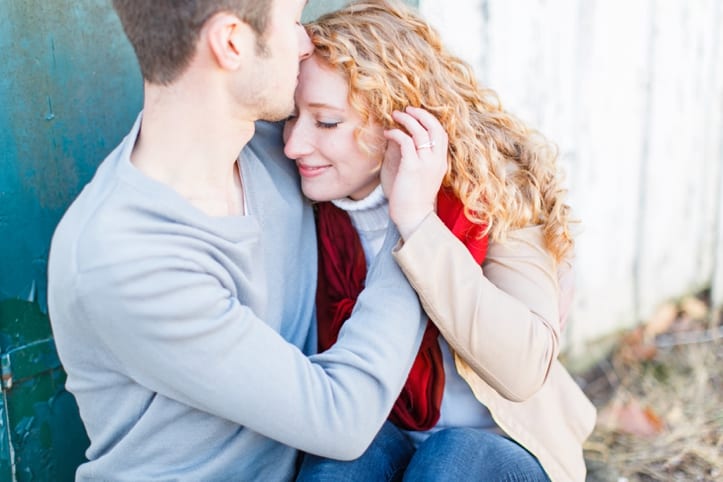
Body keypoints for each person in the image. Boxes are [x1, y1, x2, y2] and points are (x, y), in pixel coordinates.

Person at [46, 1, 430, 480]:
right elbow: (341, 418)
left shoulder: (283, 148)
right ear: (232, 43)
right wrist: (412, 223)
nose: (306, 41)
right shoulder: (123, 257)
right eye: (292, 22)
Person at [282, 1, 596, 480]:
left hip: (499, 444)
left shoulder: (488, 189)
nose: (293, 145)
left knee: (450, 461)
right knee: (337, 465)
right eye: (292, 116)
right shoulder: (303, 202)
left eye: (326, 122)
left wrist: (417, 221)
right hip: (379, 425)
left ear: (398, 122)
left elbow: (523, 369)